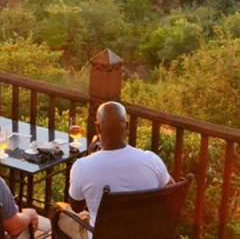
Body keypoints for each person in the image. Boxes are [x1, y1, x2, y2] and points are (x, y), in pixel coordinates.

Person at [56, 102, 173, 239]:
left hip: (102, 235)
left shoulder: (83, 166)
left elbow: (76, 207)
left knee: (56, 213)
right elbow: (171, 191)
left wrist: (90, 156)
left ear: (98, 128)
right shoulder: (151, 160)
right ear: (127, 126)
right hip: (146, 234)